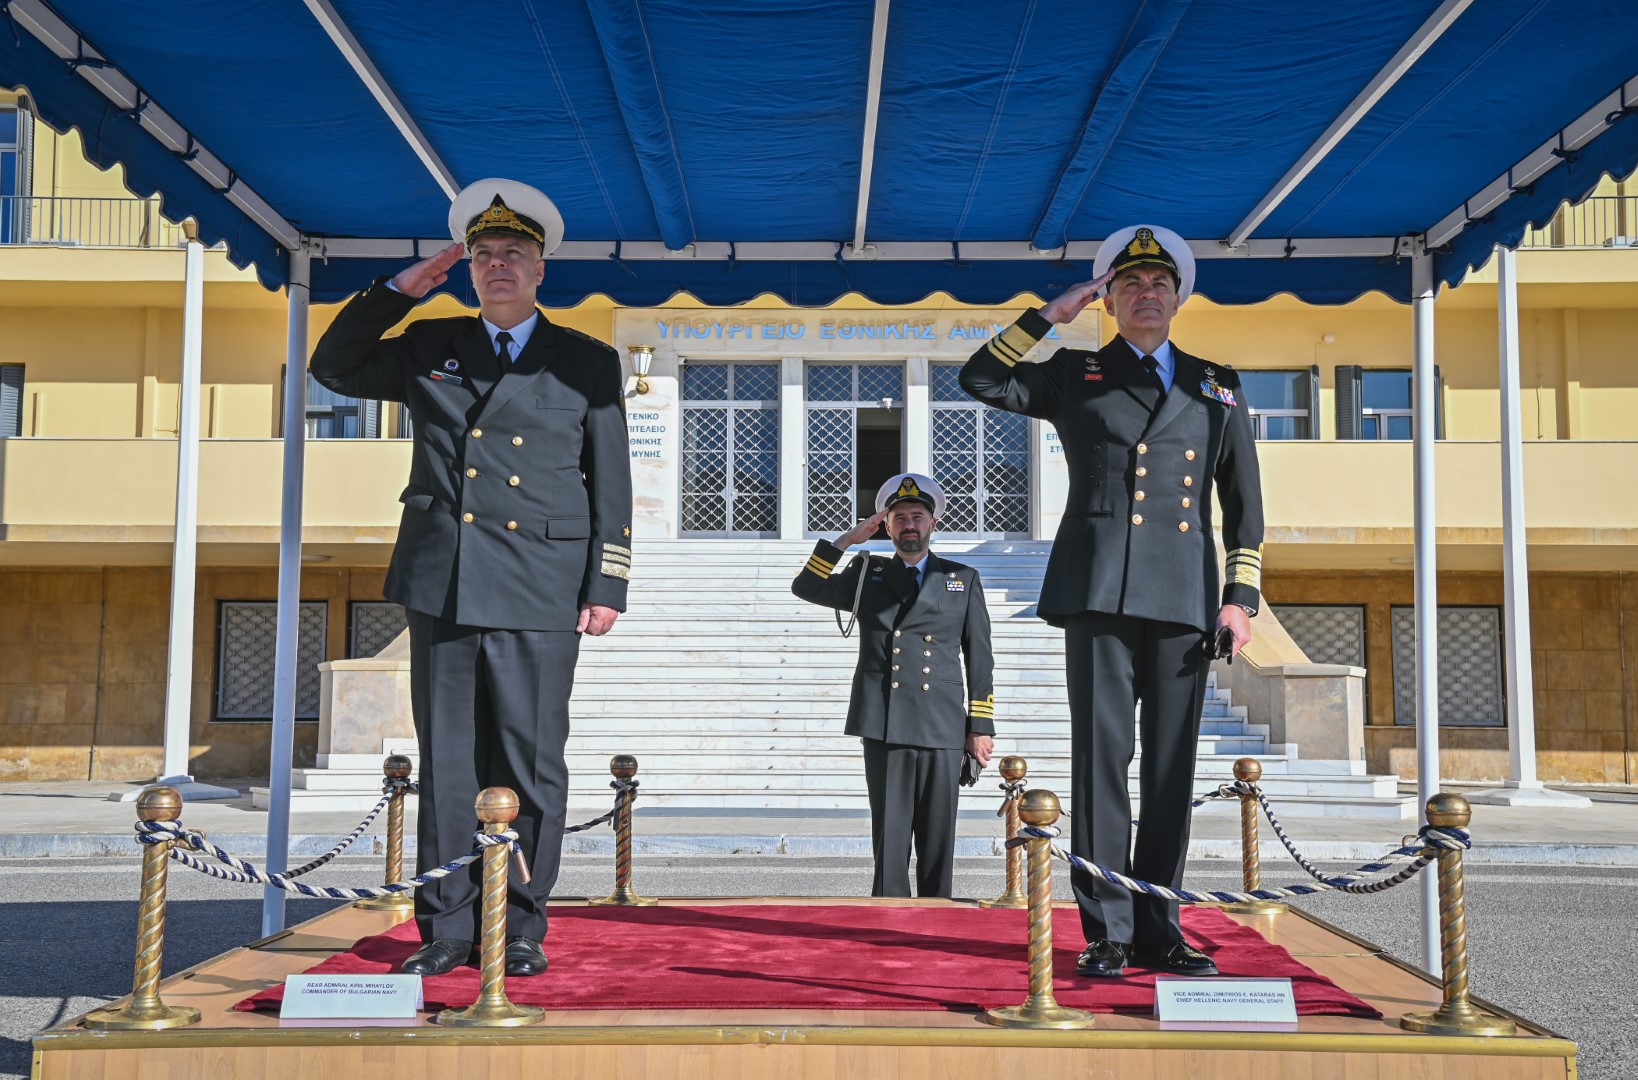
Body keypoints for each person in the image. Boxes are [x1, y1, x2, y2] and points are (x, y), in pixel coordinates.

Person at [309, 178, 632, 976]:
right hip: (446, 579)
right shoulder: (430, 345)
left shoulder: (587, 362)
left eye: (513, 254)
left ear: (540, 269)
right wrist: (399, 291)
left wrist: (607, 583)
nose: (497, 266)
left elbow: (611, 480)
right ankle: (448, 929)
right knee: (450, 761)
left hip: (542, 582)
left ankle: (521, 926)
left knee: (530, 760)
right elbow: (335, 367)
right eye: (484, 255)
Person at [959, 225, 1264, 977]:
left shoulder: (1215, 382)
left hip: (1185, 596)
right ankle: (1110, 931)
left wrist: (1241, 596)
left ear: (1178, 297)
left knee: (1170, 767)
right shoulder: (1076, 371)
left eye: (1160, 283)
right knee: (1102, 762)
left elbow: (1243, 500)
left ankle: (1162, 928)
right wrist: (1047, 315)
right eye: (1130, 285)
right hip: (1097, 589)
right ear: (1109, 298)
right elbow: (980, 380)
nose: (1146, 294)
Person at [791, 473, 996, 898]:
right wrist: (848, 539)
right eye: (899, 517)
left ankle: (938, 918)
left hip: (942, 720)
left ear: (933, 523)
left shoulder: (962, 578)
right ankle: (889, 917)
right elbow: (806, 586)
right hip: (886, 719)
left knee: (939, 835)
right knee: (891, 835)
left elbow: (980, 656)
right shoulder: (868, 574)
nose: (909, 525)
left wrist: (980, 725)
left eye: (917, 516)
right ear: (885, 526)